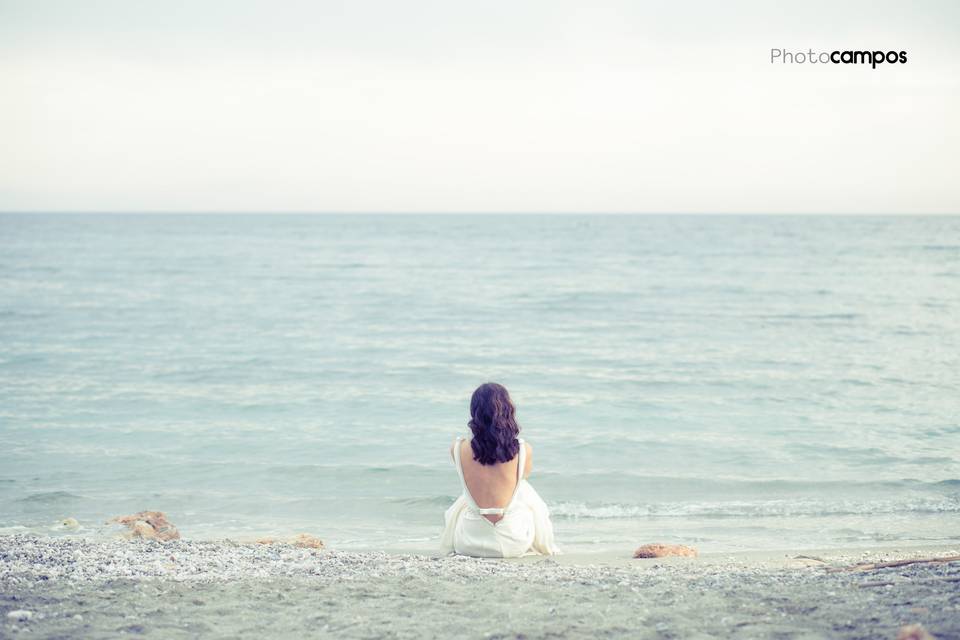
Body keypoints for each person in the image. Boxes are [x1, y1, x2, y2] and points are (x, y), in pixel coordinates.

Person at [440, 382, 559, 557]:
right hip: (512, 542)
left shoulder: (457, 448)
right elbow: (522, 478)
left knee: (467, 497)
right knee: (524, 490)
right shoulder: (524, 449)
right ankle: (544, 544)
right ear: (507, 411)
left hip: (468, 542)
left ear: (475, 413)